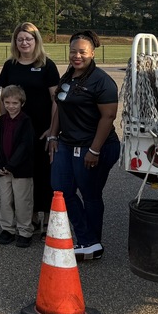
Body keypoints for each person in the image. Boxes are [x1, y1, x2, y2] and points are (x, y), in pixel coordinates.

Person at [48, 30, 120, 261]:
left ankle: (90, 243)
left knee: (90, 194)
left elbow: (108, 118)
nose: (76, 56)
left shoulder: (102, 81)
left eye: (82, 52)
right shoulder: (69, 76)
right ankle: (88, 238)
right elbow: (60, 105)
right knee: (60, 188)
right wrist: (52, 135)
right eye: (73, 51)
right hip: (68, 144)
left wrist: (95, 150)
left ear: (92, 52)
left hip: (94, 146)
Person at [0, 22, 59, 232]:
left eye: (28, 38)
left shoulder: (47, 65)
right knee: (25, 174)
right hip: (17, 130)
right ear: (15, 41)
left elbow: (55, 100)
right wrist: (5, 125)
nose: (24, 42)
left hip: (41, 130)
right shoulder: (10, 66)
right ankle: (30, 216)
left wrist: (52, 129)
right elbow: (3, 98)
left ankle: (47, 219)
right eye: (20, 38)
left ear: (36, 40)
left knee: (45, 175)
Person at [0, 85, 35, 248]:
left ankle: (25, 230)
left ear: (22, 103)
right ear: (3, 103)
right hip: (3, 169)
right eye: (7, 102)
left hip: (20, 169)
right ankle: (8, 229)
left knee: (22, 201)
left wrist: (11, 165)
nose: (11, 106)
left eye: (15, 103)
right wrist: (0, 165)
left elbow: (25, 146)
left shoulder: (26, 122)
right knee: (6, 200)